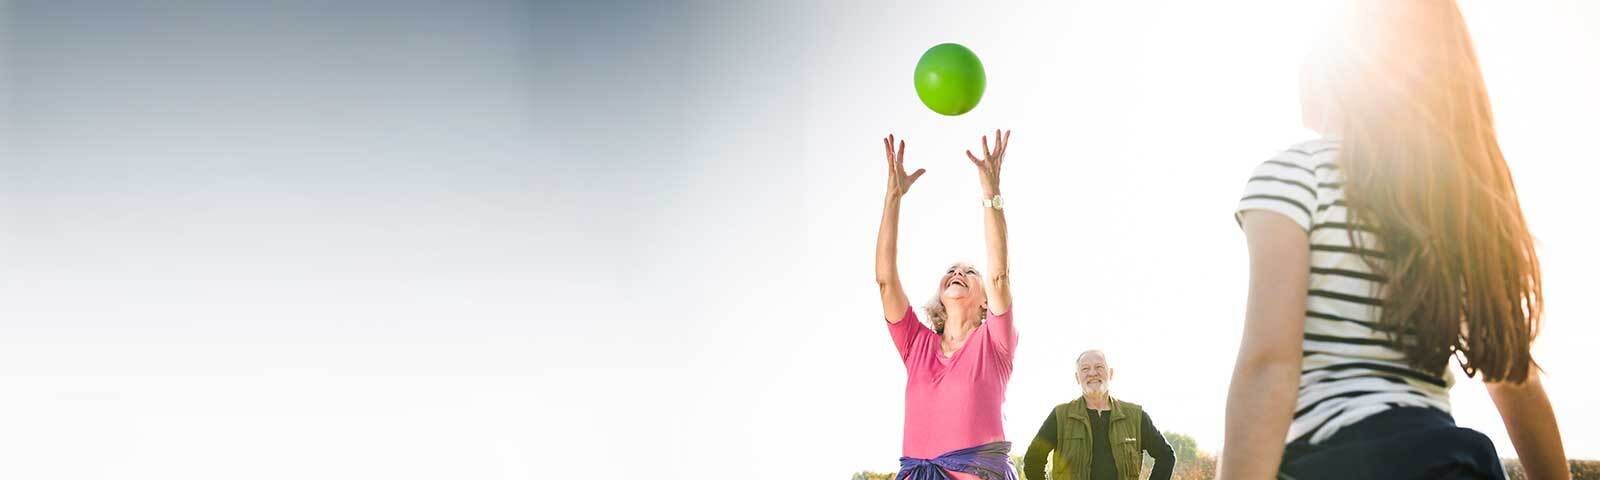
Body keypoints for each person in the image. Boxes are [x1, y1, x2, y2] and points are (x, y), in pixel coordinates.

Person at [1219, 1, 1569, 478]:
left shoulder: (1293, 176)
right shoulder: (1447, 206)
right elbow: (1513, 379)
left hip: (1334, 461)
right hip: (1454, 462)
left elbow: (1269, 365)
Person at [877, 130, 1018, 480]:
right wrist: (893, 197)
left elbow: (999, 274)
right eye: (952, 271)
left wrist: (992, 194)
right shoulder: (916, 344)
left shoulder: (995, 342)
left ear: (985, 300)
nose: (958, 272)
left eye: (970, 272)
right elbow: (885, 281)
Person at [1024, 350, 1175, 480]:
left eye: (1099, 367)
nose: (1092, 373)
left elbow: (1166, 456)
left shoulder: (1136, 416)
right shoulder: (1060, 416)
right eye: (1085, 369)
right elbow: (1033, 461)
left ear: (1110, 373)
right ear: (1077, 378)